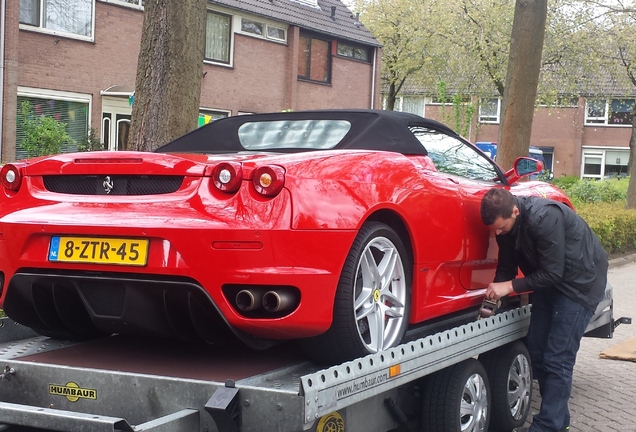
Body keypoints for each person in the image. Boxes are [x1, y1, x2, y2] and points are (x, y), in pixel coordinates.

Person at [480, 188, 608, 432]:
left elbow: (553, 272)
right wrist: (497, 294)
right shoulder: (506, 226)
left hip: (579, 285)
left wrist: (510, 286)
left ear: (515, 211)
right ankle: (560, 420)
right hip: (549, 283)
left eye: (501, 228)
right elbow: (506, 265)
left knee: (558, 358)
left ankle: (549, 426)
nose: (498, 233)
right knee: (538, 352)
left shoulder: (545, 217)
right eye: (494, 230)